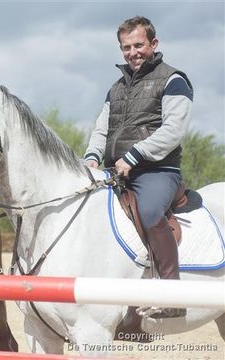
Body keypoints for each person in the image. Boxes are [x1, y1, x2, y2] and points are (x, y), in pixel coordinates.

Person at [84, 16, 193, 318]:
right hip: (116, 170)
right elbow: (101, 129)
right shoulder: (116, 88)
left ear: (153, 44)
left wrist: (134, 156)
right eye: (126, 47)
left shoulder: (174, 80)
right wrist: (92, 156)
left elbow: (173, 131)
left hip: (158, 171)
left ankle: (172, 297)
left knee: (148, 211)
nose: (133, 52)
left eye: (138, 45)